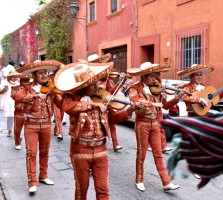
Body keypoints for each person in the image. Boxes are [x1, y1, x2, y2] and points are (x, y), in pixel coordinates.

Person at [54, 61, 143, 200]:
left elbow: (112, 119)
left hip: (101, 150)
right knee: (81, 190)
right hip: (80, 150)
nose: (97, 86)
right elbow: (68, 107)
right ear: (83, 86)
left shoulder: (102, 96)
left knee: (103, 190)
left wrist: (129, 111)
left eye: (96, 82)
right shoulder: (70, 97)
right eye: (92, 84)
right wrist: (92, 104)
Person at [127, 62, 180, 192]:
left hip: (155, 123)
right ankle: (139, 179)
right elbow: (135, 101)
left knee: (158, 154)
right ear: (144, 76)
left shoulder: (155, 89)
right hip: (142, 124)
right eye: (152, 76)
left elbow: (165, 106)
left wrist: (177, 97)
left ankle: (166, 182)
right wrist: (152, 104)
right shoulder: (134, 88)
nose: (155, 79)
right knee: (142, 153)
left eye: (155, 77)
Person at [15, 60, 63, 193]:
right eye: (41, 73)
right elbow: (17, 97)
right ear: (34, 75)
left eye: (46, 73)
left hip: (47, 123)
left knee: (45, 152)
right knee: (31, 153)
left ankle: (43, 175)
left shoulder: (51, 87)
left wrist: (61, 95)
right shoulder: (26, 87)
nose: (44, 75)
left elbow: (60, 104)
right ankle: (32, 182)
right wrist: (34, 96)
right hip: (31, 125)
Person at [8, 71, 32, 150]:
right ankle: (17, 142)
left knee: (29, 130)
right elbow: (15, 97)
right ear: (20, 80)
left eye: (27, 80)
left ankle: (29, 143)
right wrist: (26, 94)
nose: (25, 81)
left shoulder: (32, 88)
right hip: (19, 112)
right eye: (23, 79)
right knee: (17, 129)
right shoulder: (14, 88)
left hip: (30, 112)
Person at [0, 62, 16, 137]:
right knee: (6, 114)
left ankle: (11, 130)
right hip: (5, 101)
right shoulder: (4, 82)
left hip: (13, 101)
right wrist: (3, 90)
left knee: (12, 115)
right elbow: (0, 91)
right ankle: (7, 129)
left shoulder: (16, 83)